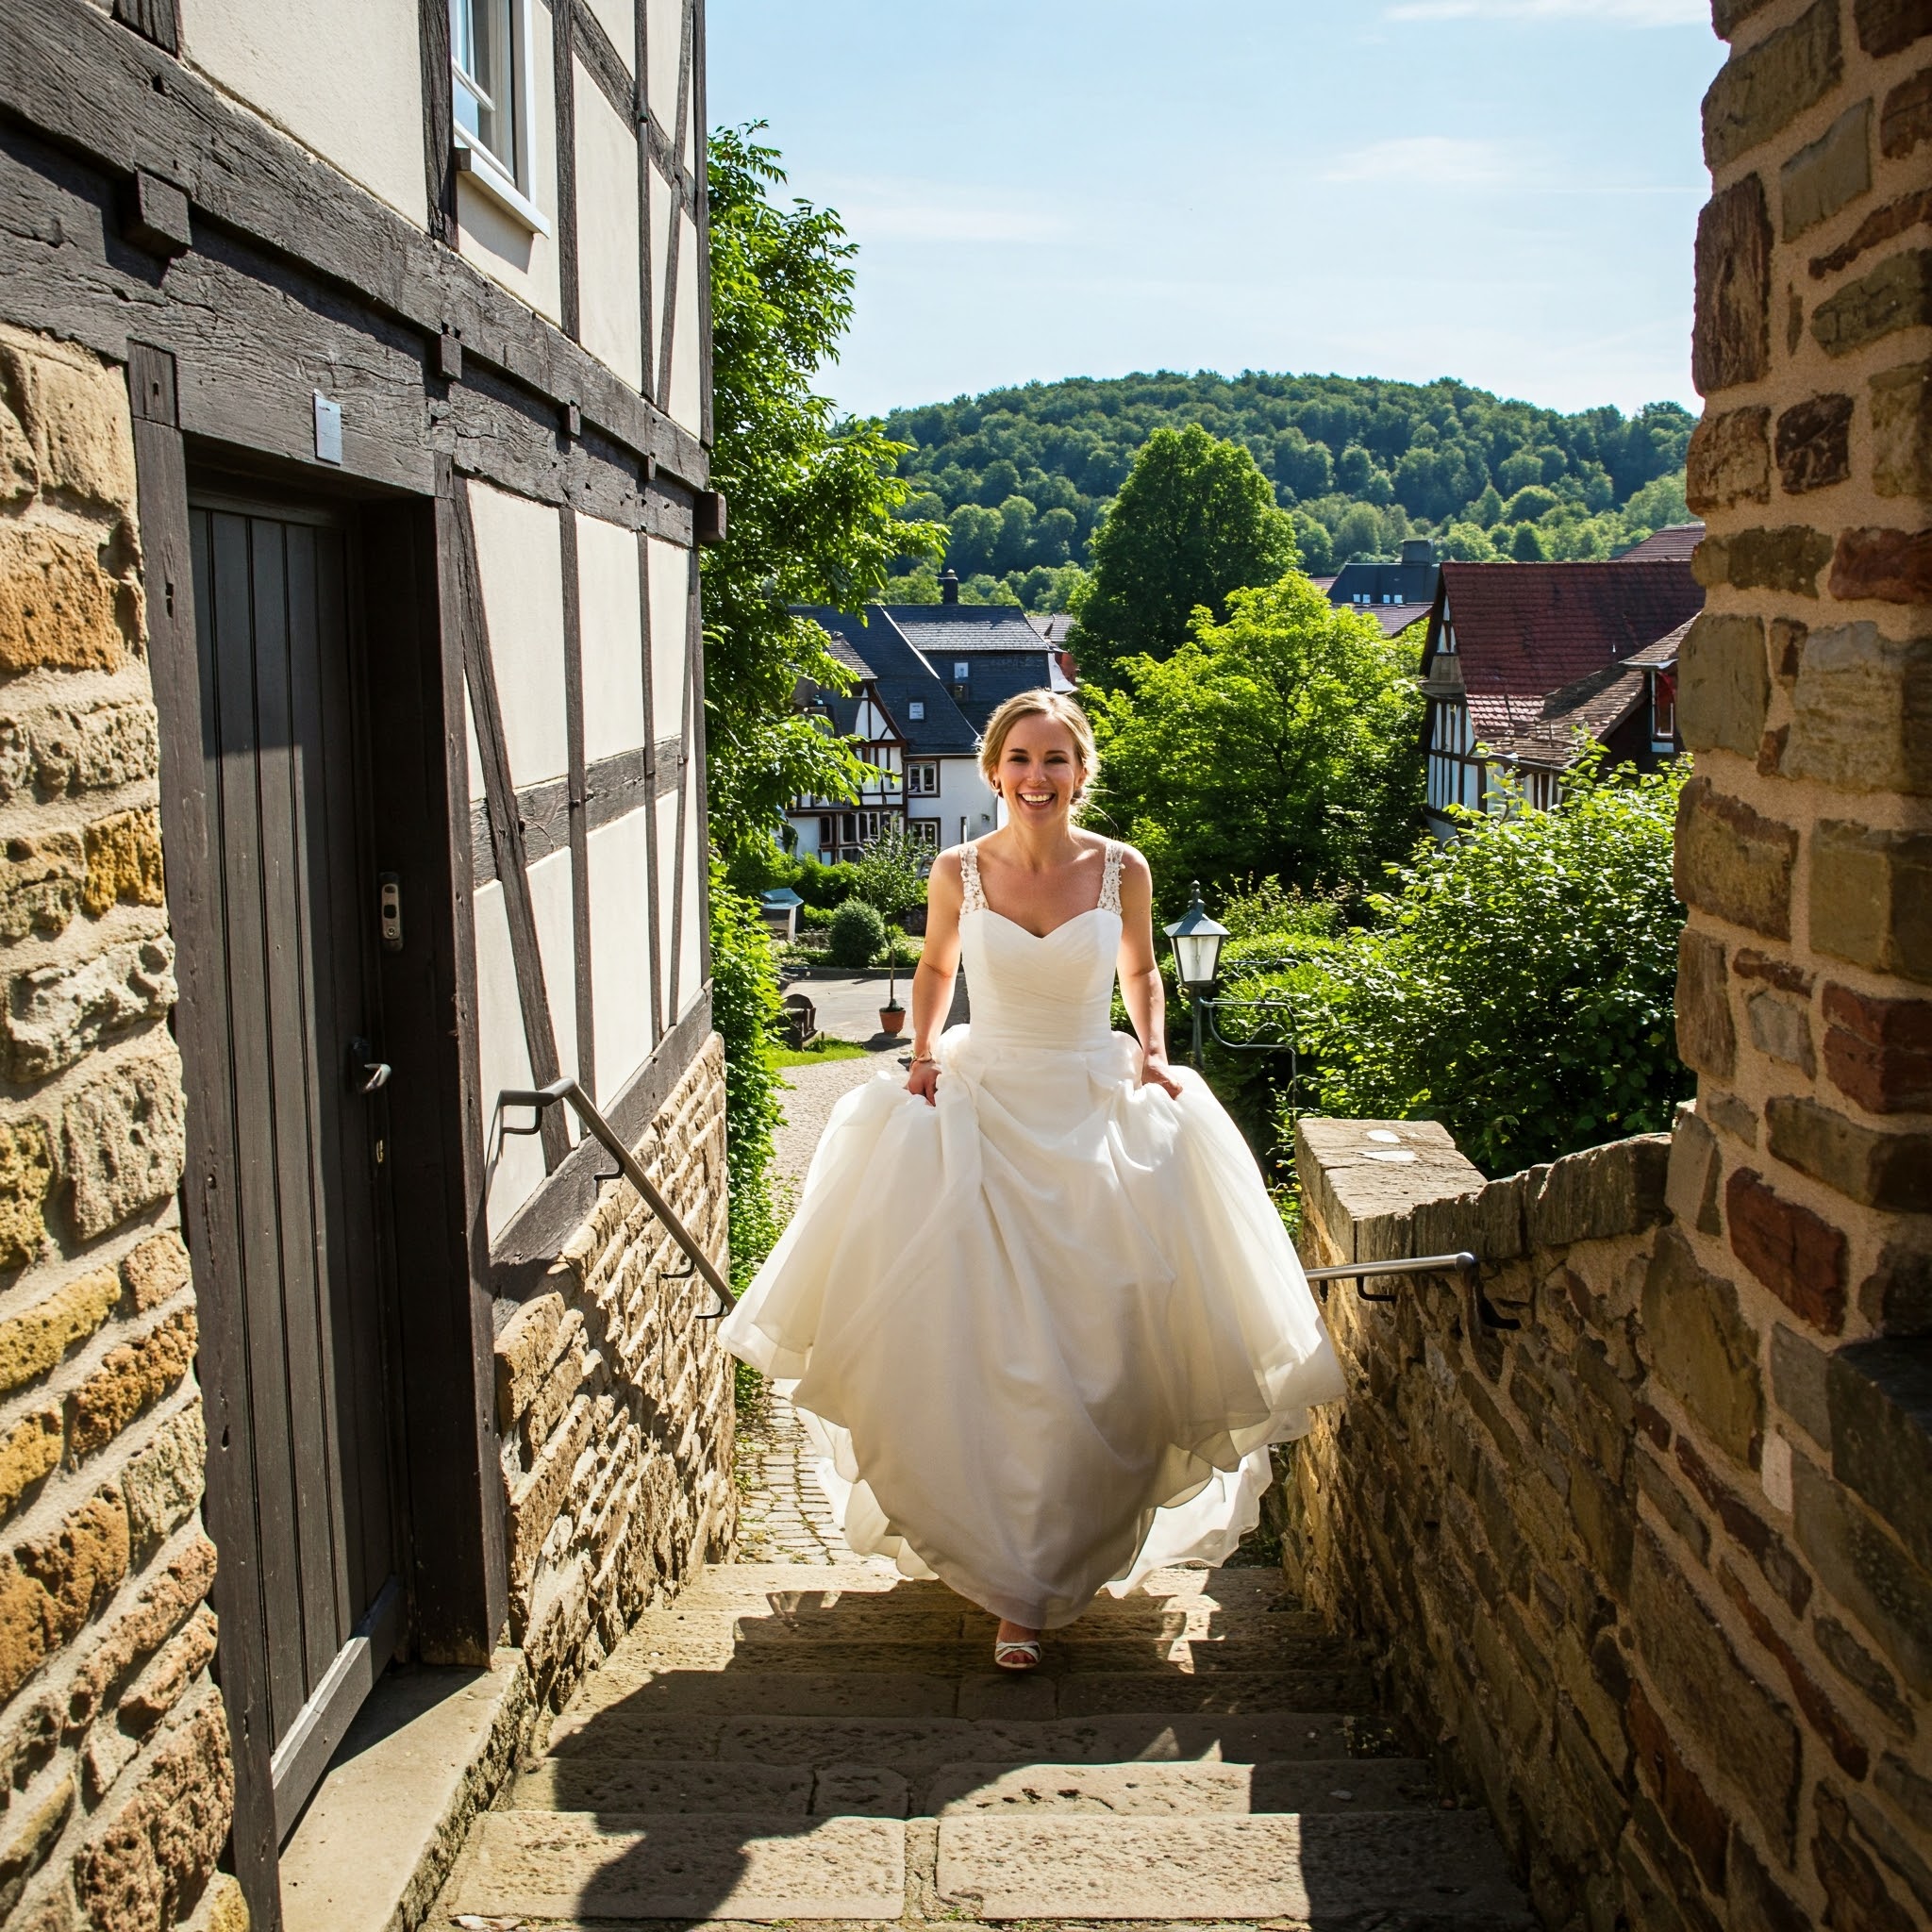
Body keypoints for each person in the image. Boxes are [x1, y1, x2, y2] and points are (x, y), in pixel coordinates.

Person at [720, 690, 1344, 1669]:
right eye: (1019, 757)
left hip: (1088, 1108)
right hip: (983, 1106)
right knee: (981, 1350)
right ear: (993, 768)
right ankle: (1011, 1584)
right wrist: (922, 1053)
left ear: (1080, 770)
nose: (1036, 776)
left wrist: (1152, 1049)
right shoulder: (955, 869)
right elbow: (933, 967)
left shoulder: (1122, 870)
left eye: (1055, 758)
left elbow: (1141, 974)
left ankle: (1058, 1558)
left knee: (1100, 1342)